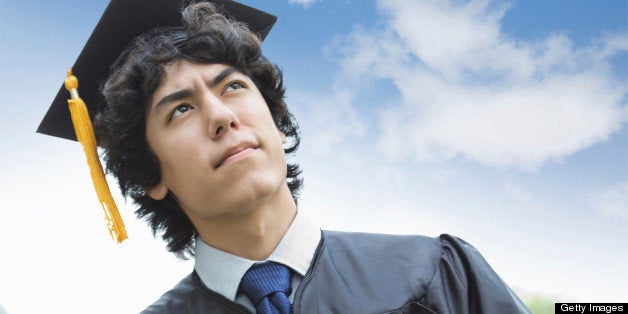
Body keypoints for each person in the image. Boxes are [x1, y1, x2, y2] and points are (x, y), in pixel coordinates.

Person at [39, 1, 530, 313]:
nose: (221, 116)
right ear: (151, 174)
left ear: (274, 118)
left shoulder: (433, 272)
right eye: (180, 109)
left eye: (232, 86)